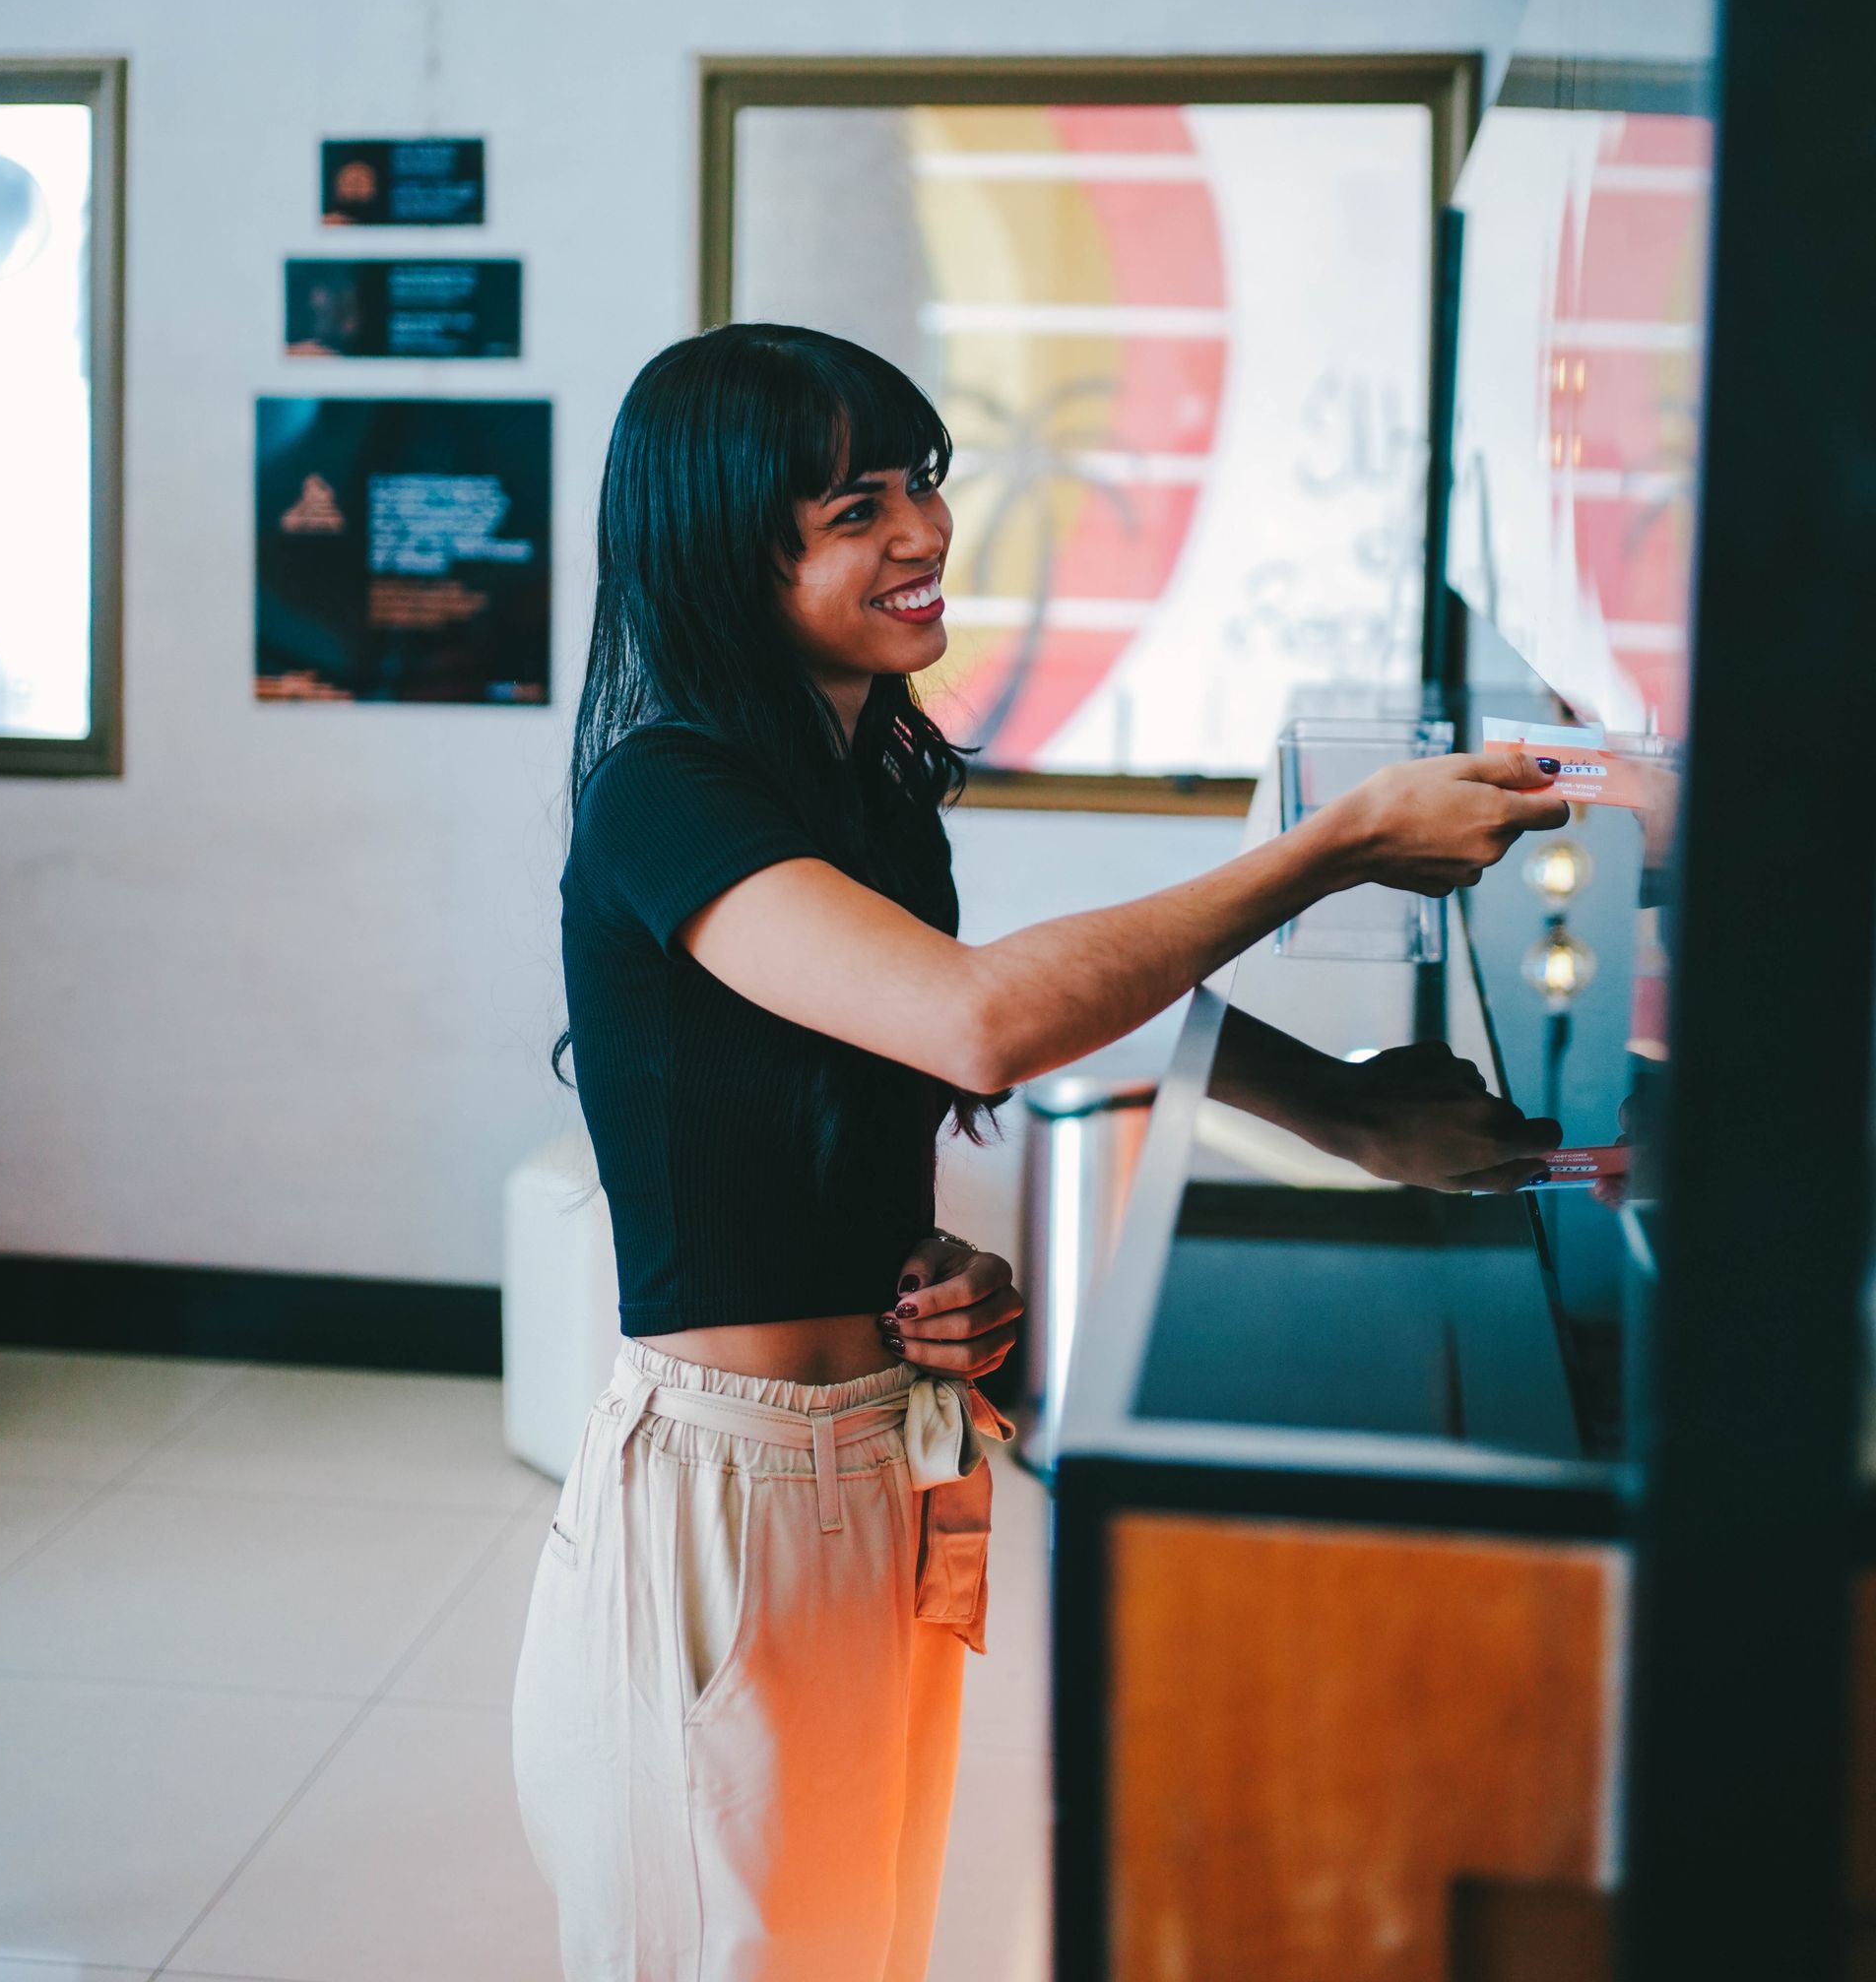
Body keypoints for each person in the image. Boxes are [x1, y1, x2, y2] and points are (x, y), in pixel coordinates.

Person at [511, 322, 1568, 1982]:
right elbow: (979, 1022)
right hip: (723, 1495)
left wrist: (944, 1273)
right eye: (856, 507)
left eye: (925, 484)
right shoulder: (668, 793)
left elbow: (914, 1069)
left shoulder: (865, 793)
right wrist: (1336, 846)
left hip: (883, 1452)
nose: (926, 534)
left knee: (859, 1947)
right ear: (729, 546)